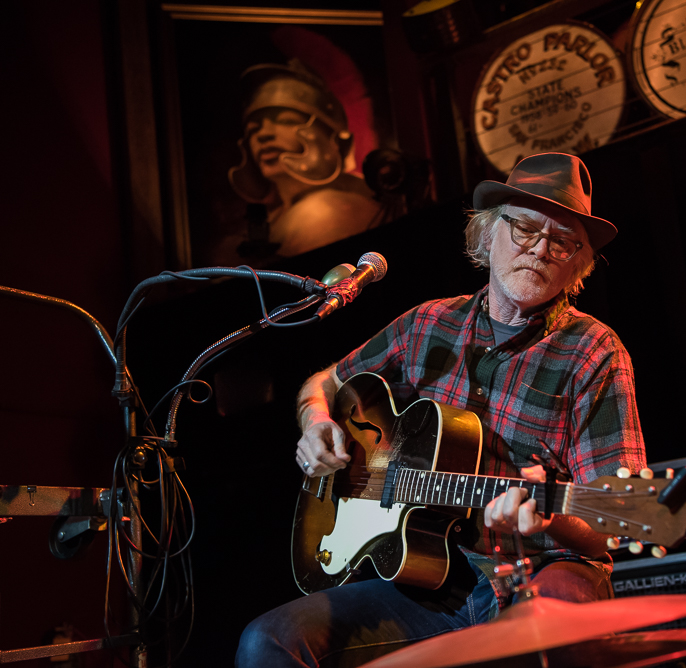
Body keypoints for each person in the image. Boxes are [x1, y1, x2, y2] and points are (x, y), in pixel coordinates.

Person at [235, 152, 646, 668]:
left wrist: (547, 516)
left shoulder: (594, 351)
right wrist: (315, 421)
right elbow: (323, 383)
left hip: (544, 568)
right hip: (425, 580)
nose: (541, 249)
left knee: (541, 630)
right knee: (267, 642)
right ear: (488, 234)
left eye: (563, 241)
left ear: (577, 263)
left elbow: (614, 521)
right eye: (525, 229)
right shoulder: (427, 324)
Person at [226, 59, 383, 258]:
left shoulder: (324, 211)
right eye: (253, 129)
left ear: (331, 138)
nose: (263, 134)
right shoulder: (276, 217)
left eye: (286, 121)